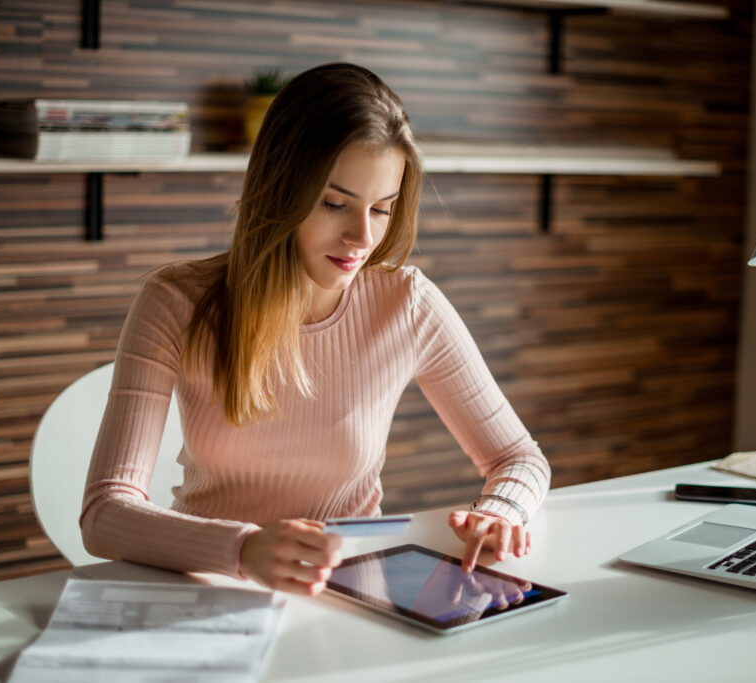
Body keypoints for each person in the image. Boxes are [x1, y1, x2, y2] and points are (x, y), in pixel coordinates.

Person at [80, 62, 551, 597]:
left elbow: (518, 457)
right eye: (335, 203)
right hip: (208, 585)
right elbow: (104, 512)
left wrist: (500, 511)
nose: (362, 235)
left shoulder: (408, 303)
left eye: (383, 208)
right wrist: (242, 550)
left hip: (351, 589)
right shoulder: (176, 303)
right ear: (280, 188)